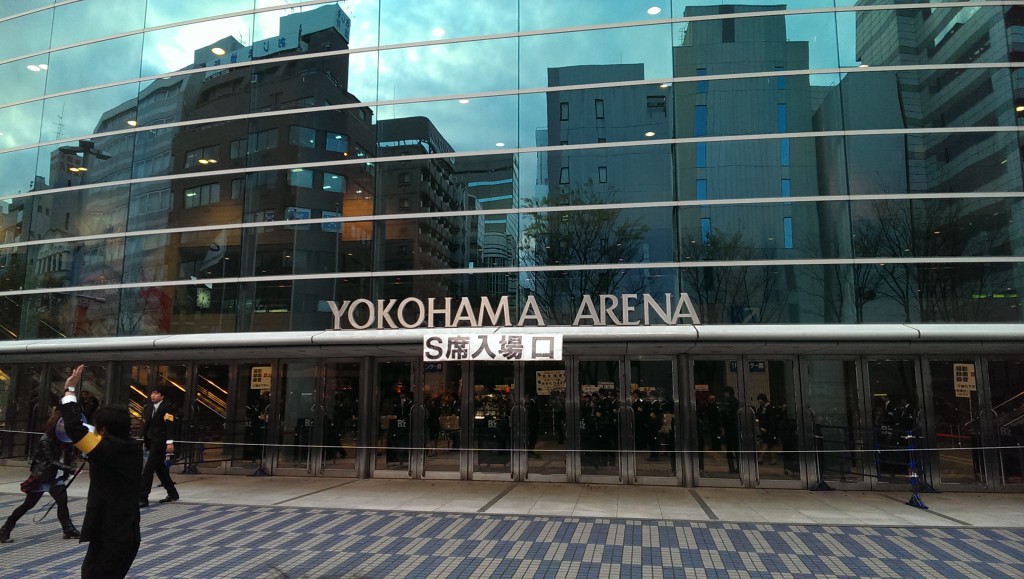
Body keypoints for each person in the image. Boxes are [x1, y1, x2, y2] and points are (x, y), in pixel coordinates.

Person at [60, 364, 143, 579]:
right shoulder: (129, 447)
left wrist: (69, 391)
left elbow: (74, 429)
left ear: (103, 428)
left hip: (111, 533)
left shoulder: (106, 449)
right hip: (124, 531)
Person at [0, 409, 80, 543]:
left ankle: (68, 530)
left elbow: (67, 456)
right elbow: (50, 461)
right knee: (28, 505)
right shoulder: (46, 440)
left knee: (62, 502)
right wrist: (70, 469)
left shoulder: (64, 439)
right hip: (42, 477)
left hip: (56, 478)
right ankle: (5, 529)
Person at [139, 387, 179, 506]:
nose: (153, 396)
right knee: (160, 469)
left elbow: (169, 425)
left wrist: (170, 442)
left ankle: (143, 498)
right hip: (151, 441)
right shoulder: (150, 407)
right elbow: (147, 424)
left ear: (162, 396)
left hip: (160, 442)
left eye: (156, 394)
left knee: (148, 470)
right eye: (152, 393)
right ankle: (172, 493)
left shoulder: (167, 407)